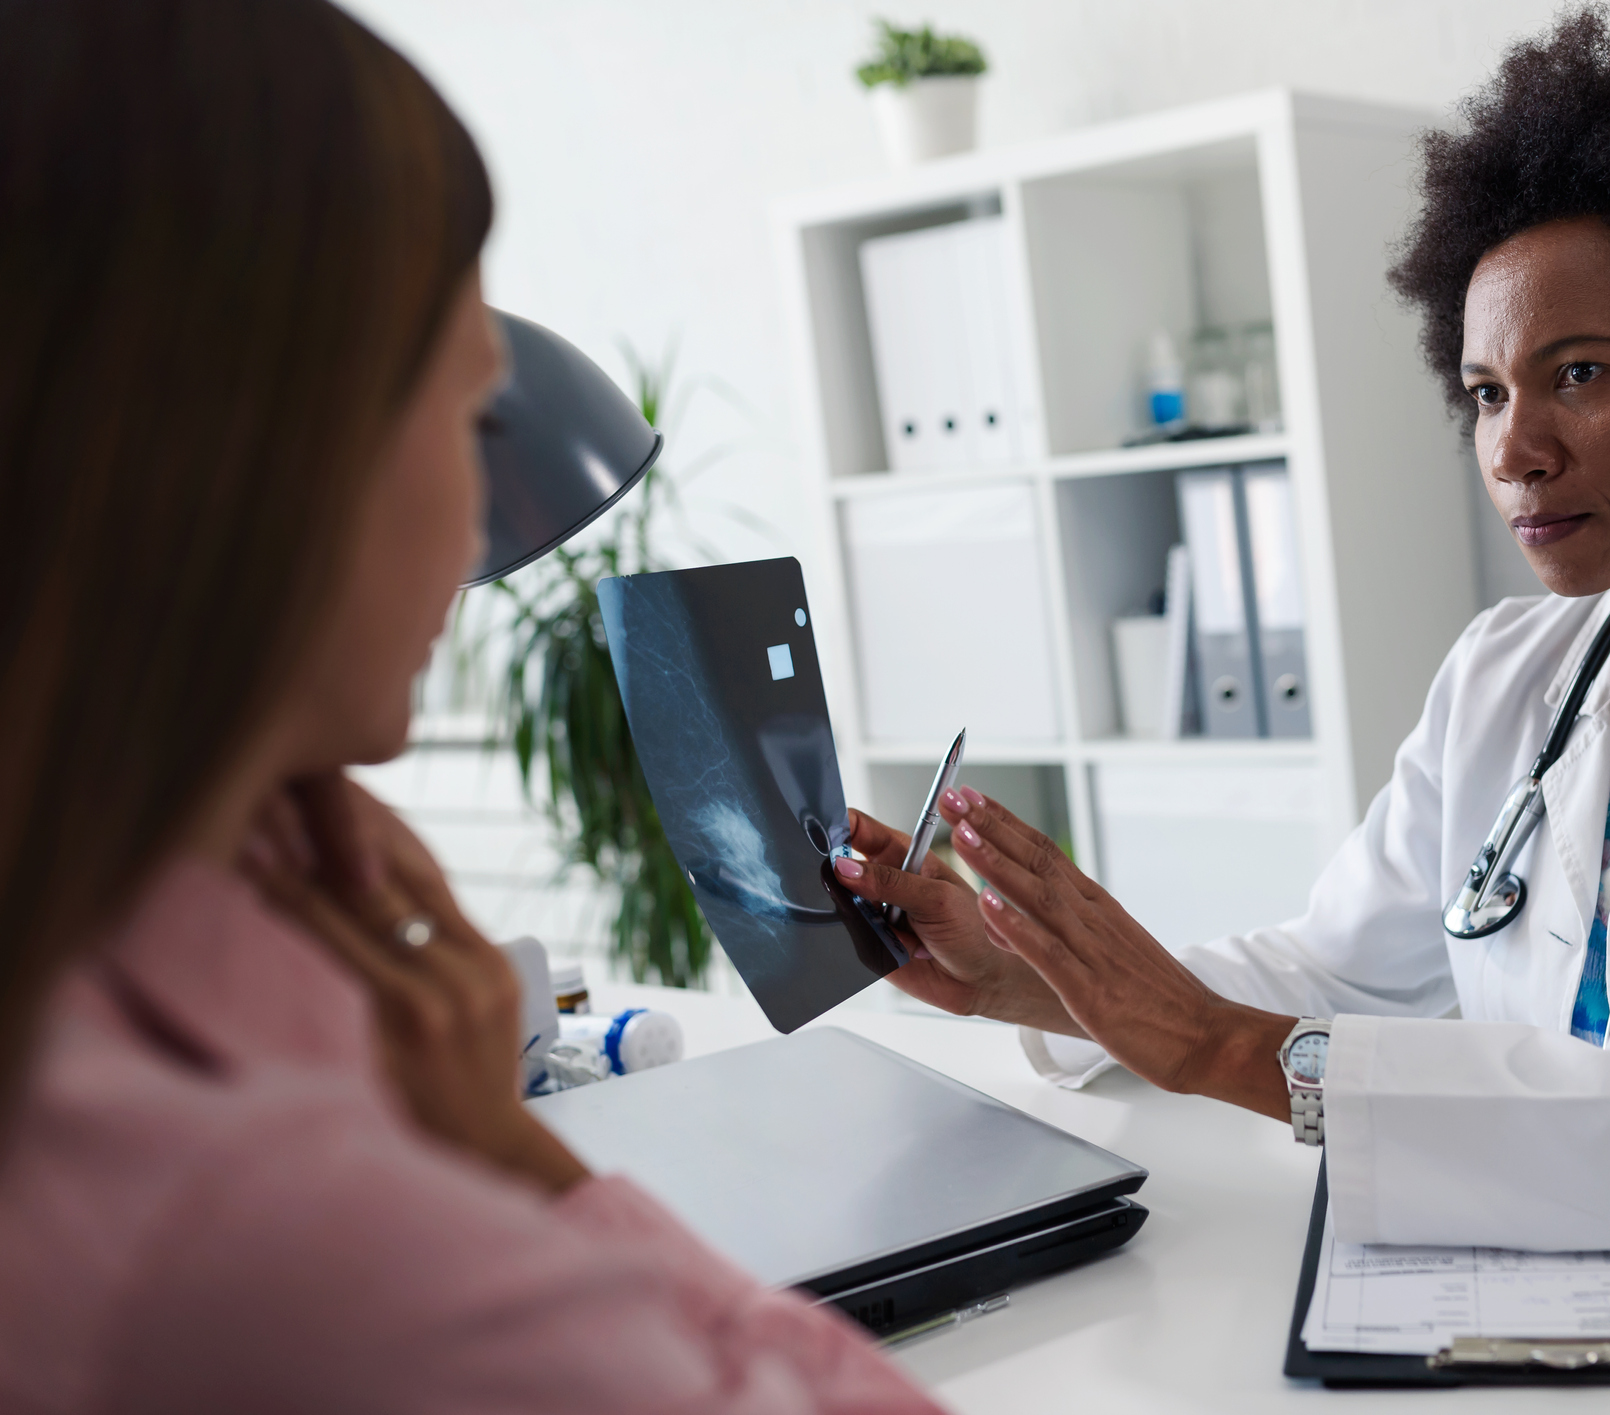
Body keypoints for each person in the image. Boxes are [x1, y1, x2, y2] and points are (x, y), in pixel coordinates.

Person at [833, 1, 1610, 1252]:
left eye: (1579, 374)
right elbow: (1338, 971)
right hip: (1568, 1276)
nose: (1513, 449)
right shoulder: (1509, 673)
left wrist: (1218, 1046)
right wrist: (1034, 973)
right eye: (1486, 391)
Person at [0, 2, 942, 1409]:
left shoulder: (179, 916)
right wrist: (511, 1157)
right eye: (469, 407)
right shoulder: (263, 1231)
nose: (483, 524)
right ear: (273, 457)